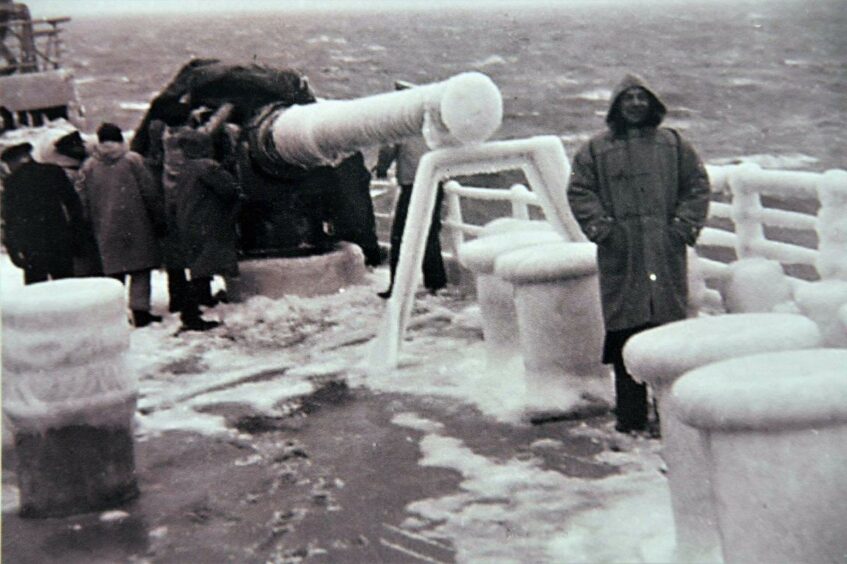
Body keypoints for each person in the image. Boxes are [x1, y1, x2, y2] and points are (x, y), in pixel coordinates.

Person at [567, 73, 710, 434]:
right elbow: (580, 191)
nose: (634, 104)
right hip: (623, 256)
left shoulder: (674, 144)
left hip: (664, 253)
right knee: (625, 337)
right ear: (617, 105)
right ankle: (630, 421)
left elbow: (697, 185)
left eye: (641, 98)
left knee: (668, 335)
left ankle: (672, 419)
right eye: (627, 98)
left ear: (652, 104)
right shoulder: (596, 150)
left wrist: (682, 227)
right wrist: (603, 230)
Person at [76, 123, 165, 328]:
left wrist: (88, 221)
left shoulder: (89, 165)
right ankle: (141, 312)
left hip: (105, 226)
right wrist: (157, 217)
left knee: (114, 274)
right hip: (137, 223)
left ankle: (115, 315)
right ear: (120, 139)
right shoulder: (132, 160)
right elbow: (149, 191)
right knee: (140, 270)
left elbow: (82, 198)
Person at [163, 127, 241, 332]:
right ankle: (190, 315)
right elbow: (230, 190)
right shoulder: (207, 166)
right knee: (203, 270)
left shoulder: (186, 168)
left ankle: (195, 309)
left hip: (191, 224)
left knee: (201, 268)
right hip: (208, 223)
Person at [374, 82, 447, 298]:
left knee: (400, 236)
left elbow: (388, 148)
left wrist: (381, 168)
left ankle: (398, 286)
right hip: (435, 183)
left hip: (413, 186)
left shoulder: (402, 124)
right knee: (430, 234)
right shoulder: (432, 123)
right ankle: (436, 283)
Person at [1, 141, 84, 284]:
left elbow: (9, 219)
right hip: (59, 240)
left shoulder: (11, 182)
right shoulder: (53, 171)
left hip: (32, 247)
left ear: (14, 161)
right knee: (67, 287)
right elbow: (74, 206)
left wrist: (13, 250)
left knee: (37, 293)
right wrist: (77, 236)